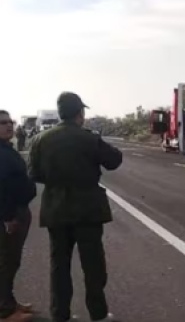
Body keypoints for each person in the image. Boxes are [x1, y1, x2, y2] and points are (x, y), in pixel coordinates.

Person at [27, 92, 123, 322]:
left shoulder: (40, 139)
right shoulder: (88, 138)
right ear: (80, 113)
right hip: (88, 211)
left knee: (59, 266)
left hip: (56, 210)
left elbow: (34, 174)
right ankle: (98, 314)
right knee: (93, 267)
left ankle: (60, 315)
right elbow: (114, 160)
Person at [0, 110, 37, 322]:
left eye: (10, 122)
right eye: (2, 123)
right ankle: (5, 311)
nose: (8, 126)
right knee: (6, 262)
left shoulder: (6, 148)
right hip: (10, 215)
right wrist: (8, 217)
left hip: (17, 211)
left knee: (11, 261)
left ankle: (9, 301)